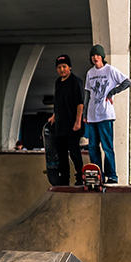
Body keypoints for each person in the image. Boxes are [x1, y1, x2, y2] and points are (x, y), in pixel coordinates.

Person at [84, 43, 131, 184]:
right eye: (93, 55)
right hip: (92, 115)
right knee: (92, 147)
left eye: (98, 55)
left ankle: (112, 175)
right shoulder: (90, 73)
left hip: (105, 114)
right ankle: (97, 174)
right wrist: (85, 114)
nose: (95, 58)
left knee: (107, 146)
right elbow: (87, 93)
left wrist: (112, 92)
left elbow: (127, 82)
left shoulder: (110, 70)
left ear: (102, 57)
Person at [46, 54, 84, 185]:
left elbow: (80, 103)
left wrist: (78, 121)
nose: (62, 70)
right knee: (61, 154)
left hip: (72, 125)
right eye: (59, 67)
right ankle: (64, 179)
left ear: (70, 67)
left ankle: (80, 178)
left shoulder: (76, 81)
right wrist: (54, 116)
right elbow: (59, 102)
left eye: (64, 67)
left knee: (74, 152)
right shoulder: (58, 82)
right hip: (60, 125)